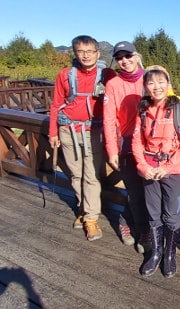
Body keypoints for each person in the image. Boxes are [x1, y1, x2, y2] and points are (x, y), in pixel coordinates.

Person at [131, 65, 180, 278]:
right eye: (151, 82)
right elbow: (137, 140)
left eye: (161, 82)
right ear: (145, 86)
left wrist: (166, 167)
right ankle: (156, 253)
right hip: (149, 169)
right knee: (153, 213)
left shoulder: (179, 108)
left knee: (171, 215)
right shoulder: (142, 109)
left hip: (176, 170)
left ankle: (170, 255)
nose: (156, 87)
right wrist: (142, 166)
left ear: (169, 85)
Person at [49, 35, 113, 241]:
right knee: (75, 175)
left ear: (97, 53)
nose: (85, 55)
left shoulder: (107, 74)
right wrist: (52, 132)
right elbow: (56, 104)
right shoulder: (65, 75)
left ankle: (91, 218)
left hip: (93, 132)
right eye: (81, 51)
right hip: (68, 130)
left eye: (89, 51)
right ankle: (84, 210)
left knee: (91, 177)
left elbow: (125, 89)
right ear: (75, 53)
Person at [103, 41, 150, 252]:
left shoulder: (150, 78)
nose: (124, 61)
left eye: (128, 56)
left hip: (152, 143)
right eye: (120, 58)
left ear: (137, 56)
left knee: (148, 190)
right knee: (135, 189)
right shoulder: (113, 84)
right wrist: (112, 150)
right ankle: (143, 233)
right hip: (127, 143)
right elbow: (108, 118)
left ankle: (124, 219)